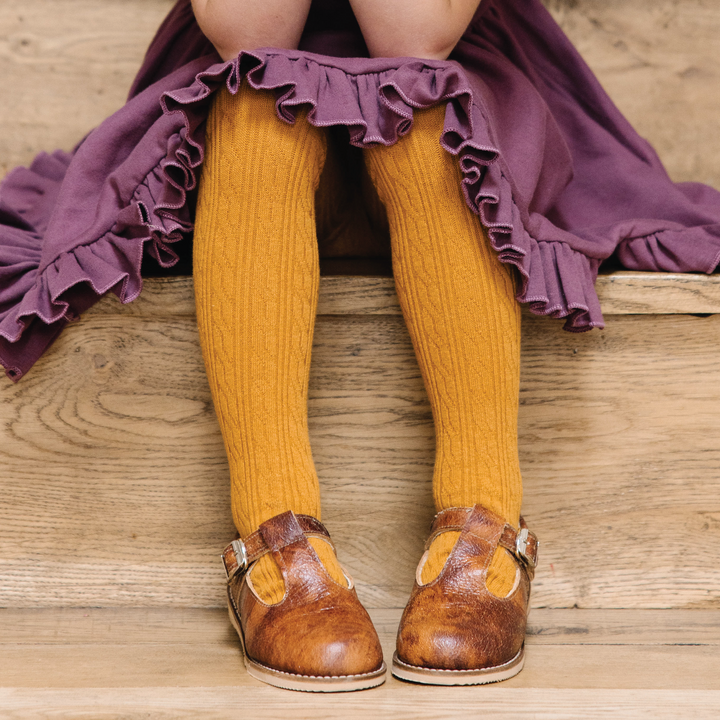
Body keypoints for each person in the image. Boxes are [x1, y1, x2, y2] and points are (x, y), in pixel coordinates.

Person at [1, 0, 718, 693]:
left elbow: (417, 34)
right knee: (259, 106)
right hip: (246, 141)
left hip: (456, 102)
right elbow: (250, 30)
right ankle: (274, 527)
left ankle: (483, 509)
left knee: (421, 110)